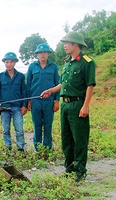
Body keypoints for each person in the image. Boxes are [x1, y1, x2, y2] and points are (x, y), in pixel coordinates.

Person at [40, 32, 96, 182]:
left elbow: (90, 85)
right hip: (65, 105)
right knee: (67, 139)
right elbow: (63, 84)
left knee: (80, 139)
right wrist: (51, 91)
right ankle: (69, 168)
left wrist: (85, 106)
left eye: (67, 42)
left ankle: (80, 170)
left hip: (78, 104)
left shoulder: (87, 62)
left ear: (75, 44)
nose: (64, 45)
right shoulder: (67, 62)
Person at [26, 43, 60, 152]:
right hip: (36, 101)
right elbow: (28, 85)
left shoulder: (54, 67)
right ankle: (37, 148)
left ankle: (47, 148)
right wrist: (29, 100)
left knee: (48, 125)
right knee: (37, 125)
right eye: (40, 53)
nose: (42, 55)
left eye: (45, 52)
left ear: (48, 54)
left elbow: (58, 84)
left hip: (49, 101)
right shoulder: (32, 67)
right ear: (37, 54)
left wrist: (56, 101)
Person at [0, 52, 27, 155]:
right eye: (7, 62)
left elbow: (24, 92)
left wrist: (24, 105)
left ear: (15, 63)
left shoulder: (21, 76)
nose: (9, 64)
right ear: (4, 63)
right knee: (5, 130)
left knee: (19, 129)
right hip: (4, 108)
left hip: (17, 107)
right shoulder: (0, 77)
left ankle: (20, 148)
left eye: (11, 62)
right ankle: (8, 148)